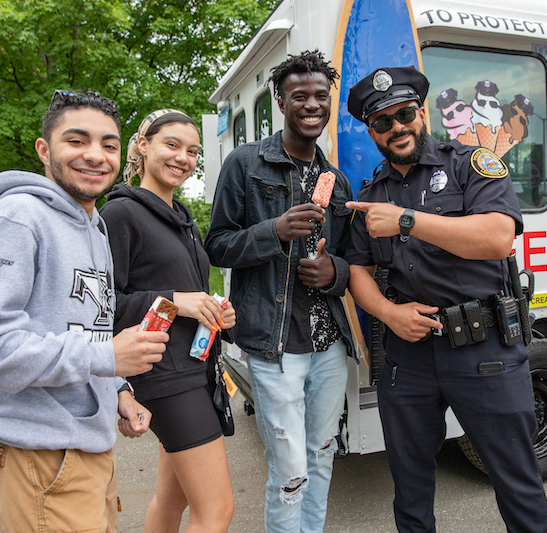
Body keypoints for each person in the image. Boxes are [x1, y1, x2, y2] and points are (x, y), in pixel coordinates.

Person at [0, 90, 168, 533]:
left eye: (108, 144)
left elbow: (89, 326)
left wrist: (118, 388)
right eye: (77, 141)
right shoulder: (17, 217)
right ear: (44, 149)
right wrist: (104, 359)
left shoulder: (95, 225)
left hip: (89, 449)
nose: (95, 155)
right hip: (37, 456)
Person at [343, 66, 547, 533]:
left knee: (517, 485)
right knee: (410, 489)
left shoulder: (470, 164)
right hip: (408, 357)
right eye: (382, 122)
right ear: (371, 131)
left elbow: (498, 237)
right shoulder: (371, 194)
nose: (396, 127)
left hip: (485, 352)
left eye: (404, 114)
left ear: (422, 113)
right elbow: (356, 268)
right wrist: (386, 312)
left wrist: (406, 220)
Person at [205, 50, 355, 533]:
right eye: (300, 96)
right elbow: (218, 246)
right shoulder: (246, 165)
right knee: (290, 471)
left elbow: (354, 262)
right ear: (280, 101)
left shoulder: (337, 180)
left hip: (328, 345)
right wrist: (275, 230)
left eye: (320, 96)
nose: (312, 104)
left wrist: (334, 273)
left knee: (321, 455)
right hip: (275, 347)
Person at [99, 109, 236, 533]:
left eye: (192, 150)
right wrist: (180, 302)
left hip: (196, 366)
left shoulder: (182, 216)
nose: (183, 157)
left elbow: (186, 294)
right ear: (143, 145)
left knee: (171, 499)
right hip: (165, 377)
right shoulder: (120, 214)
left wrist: (214, 312)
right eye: (171, 145)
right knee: (216, 511)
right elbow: (106, 306)